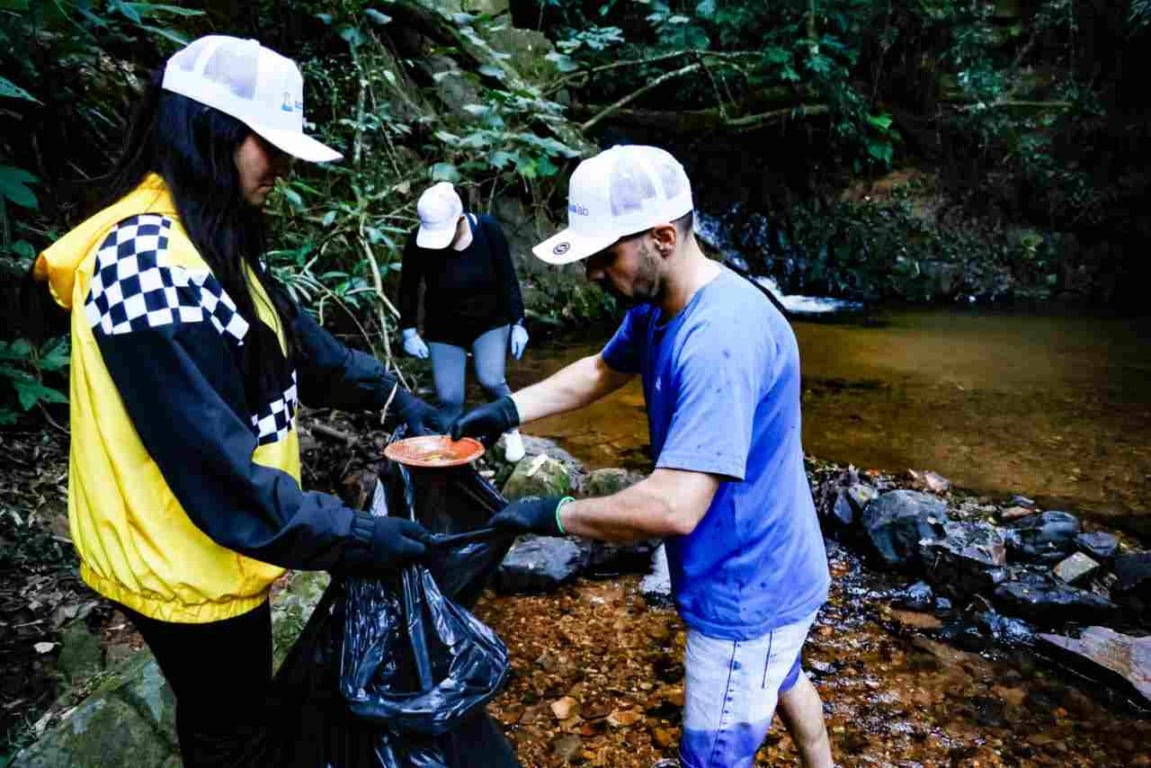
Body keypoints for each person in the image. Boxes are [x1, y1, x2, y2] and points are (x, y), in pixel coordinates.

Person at [33, 35, 441, 766]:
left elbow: (291, 341)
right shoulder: (142, 264)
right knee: (231, 730)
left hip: (216, 541)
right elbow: (213, 471)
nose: (282, 167)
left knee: (240, 715)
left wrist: (392, 399)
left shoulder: (206, 237)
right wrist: (351, 538)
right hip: (178, 555)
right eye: (269, 145)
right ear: (207, 130)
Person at [450, 145, 834, 768]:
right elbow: (601, 370)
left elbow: (676, 506)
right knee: (782, 675)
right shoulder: (661, 306)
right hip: (777, 563)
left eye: (605, 256)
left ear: (660, 237)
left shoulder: (718, 341)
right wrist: (505, 411)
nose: (593, 274)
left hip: (744, 588)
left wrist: (553, 514)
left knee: (710, 755)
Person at [398, 181, 529, 462]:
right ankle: (453, 453)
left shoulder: (488, 229)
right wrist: (408, 330)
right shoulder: (418, 240)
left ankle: (511, 430)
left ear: (459, 219)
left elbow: (508, 276)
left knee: (491, 379)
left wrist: (519, 322)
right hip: (444, 326)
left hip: (490, 320)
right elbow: (408, 285)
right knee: (450, 398)